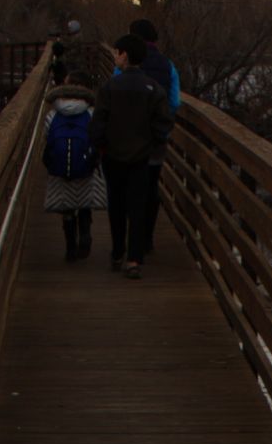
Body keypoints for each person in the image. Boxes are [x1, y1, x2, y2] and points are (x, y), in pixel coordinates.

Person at [92, 32, 173, 275]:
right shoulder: (153, 89)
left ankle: (118, 252)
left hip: (113, 156)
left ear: (124, 55)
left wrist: (99, 146)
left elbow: (98, 122)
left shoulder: (109, 87)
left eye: (117, 53)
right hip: (141, 158)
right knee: (137, 207)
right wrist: (152, 144)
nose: (115, 57)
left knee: (116, 205)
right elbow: (163, 124)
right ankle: (134, 259)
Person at [40, 69, 106, 260]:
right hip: (85, 168)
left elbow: (47, 139)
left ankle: (70, 246)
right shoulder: (91, 113)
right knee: (83, 201)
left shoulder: (52, 115)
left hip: (60, 169)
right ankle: (85, 233)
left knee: (66, 206)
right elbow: (97, 139)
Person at [131, 17, 180, 255]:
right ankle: (147, 237)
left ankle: (132, 239)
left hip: (128, 138)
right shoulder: (167, 65)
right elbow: (174, 101)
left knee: (129, 185)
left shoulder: (127, 64)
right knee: (151, 185)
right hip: (156, 137)